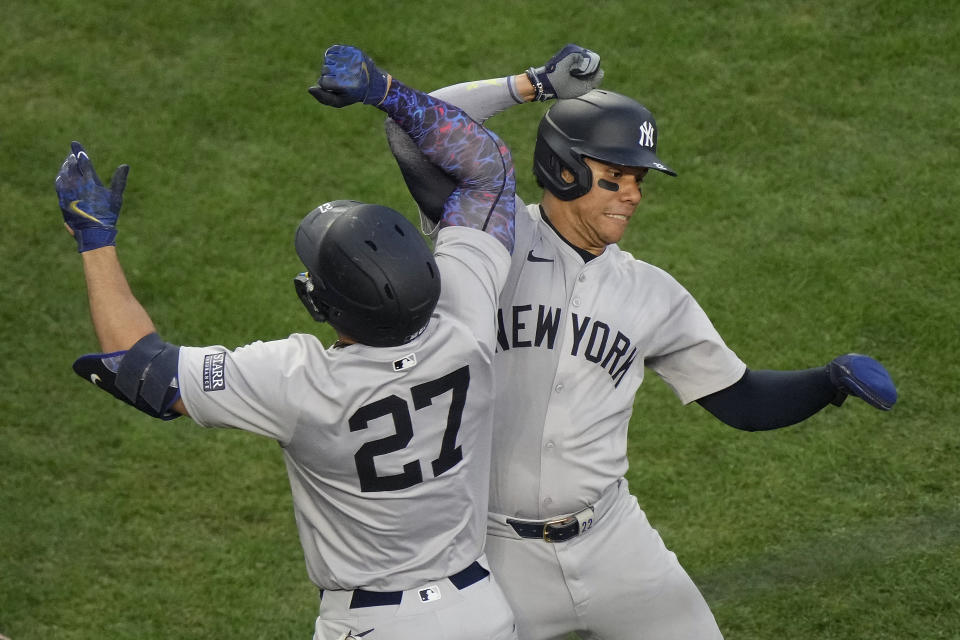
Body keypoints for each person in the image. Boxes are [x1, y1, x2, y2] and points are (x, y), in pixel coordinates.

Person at [385, 45, 899, 640]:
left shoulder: (652, 294)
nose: (632, 194)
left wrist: (828, 382)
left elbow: (741, 400)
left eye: (638, 179)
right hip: (492, 553)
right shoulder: (486, 234)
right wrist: (532, 86)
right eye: (617, 175)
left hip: (614, 544)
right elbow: (413, 122)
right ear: (563, 167)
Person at [57, 44, 520, 640]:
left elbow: (142, 370)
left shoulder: (299, 380)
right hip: (480, 612)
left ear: (323, 304)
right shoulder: (468, 321)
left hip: (377, 626)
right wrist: (384, 91)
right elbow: (489, 169)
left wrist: (95, 241)